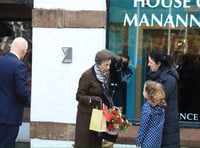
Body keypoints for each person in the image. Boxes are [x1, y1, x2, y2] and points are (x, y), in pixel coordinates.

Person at [74, 49, 115, 148]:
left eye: (109, 64)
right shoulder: (87, 75)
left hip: (99, 115)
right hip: (86, 116)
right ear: (98, 64)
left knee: (96, 142)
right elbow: (79, 95)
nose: (108, 68)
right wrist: (91, 99)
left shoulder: (106, 75)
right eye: (106, 65)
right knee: (85, 143)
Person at [0, 37, 31, 147]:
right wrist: (28, 102)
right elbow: (21, 91)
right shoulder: (19, 65)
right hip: (9, 116)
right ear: (24, 51)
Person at [146, 50, 180, 148]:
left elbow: (156, 100)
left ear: (159, 64)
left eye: (151, 62)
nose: (148, 65)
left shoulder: (169, 79)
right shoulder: (157, 76)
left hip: (166, 126)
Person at [136, 80, 167, 148]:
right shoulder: (161, 105)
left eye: (143, 89)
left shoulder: (147, 107)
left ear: (148, 93)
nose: (142, 91)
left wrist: (138, 143)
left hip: (147, 142)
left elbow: (143, 127)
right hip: (157, 141)